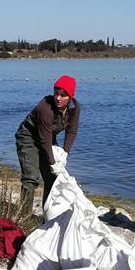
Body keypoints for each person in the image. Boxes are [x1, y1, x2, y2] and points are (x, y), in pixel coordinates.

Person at [15, 75, 80, 213]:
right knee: (30, 178)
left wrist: (65, 152)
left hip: (48, 137)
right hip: (28, 137)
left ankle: (47, 216)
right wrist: (52, 162)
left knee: (52, 179)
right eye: (56, 93)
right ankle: (24, 216)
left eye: (63, 95)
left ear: (70, 96)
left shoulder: (74, 108)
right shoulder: (45, 108)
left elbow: (72, 131)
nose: (58, 98)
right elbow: (45, 140)